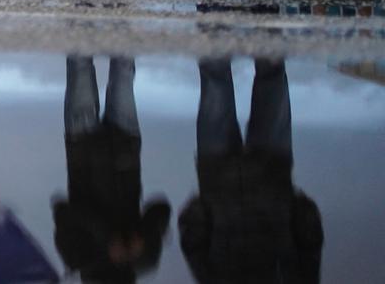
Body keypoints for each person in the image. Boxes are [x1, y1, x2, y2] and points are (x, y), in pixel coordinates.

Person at [178, 58, 323, 282]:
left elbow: (193, 243)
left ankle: (218, 28)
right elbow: (310, 242)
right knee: (269, 77)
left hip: (224, 176)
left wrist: (205, 204)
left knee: (217, 79)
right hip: (268, 173)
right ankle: (263, 28)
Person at [53, 55, 171, 283]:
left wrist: (107, 238)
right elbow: (161, 208)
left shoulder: (78, 259)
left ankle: (81, 19)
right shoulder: (143, 260)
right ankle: (125, 20)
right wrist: (143, 236)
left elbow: (62, 210)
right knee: (123, 66)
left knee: (80, 64)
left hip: (82, 144)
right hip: (124, 142)